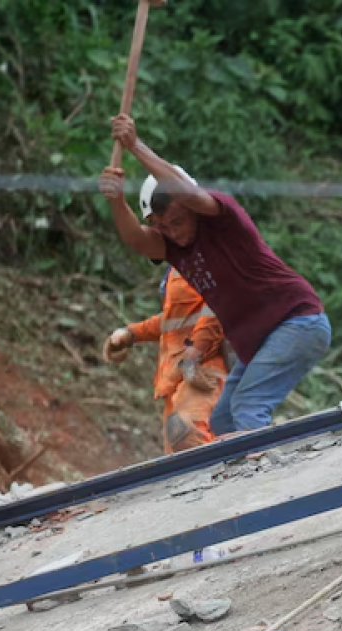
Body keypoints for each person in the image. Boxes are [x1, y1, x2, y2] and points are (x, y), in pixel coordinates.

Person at [97, 116, 329, 436]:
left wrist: (135, 146)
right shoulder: (176, 249)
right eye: (162, 226)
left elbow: (189, 195)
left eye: (177, 221)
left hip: (296, 322)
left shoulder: (224, 218)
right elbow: (136, 238)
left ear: (190, 207)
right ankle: (237, 479)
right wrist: (116, 200)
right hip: (261, 343)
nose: (172, 233)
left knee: (248, 407)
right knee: (223, 422)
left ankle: (263, 479)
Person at [102, 257, 229, 453]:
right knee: (179, 458)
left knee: (191, 439)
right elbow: (175, 321)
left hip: (202, 372)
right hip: (179, 377)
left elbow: (218, 310)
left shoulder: (207, 260)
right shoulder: (178, 268)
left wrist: (192, 357)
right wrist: (131, 334)